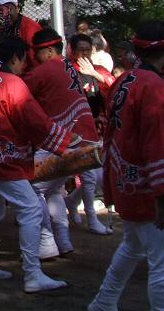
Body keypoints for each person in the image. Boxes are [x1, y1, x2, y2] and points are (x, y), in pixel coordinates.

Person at [0, 36, 80, 292]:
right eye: (23, 61)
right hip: (3, 160)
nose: (24, 66)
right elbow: (37, 122)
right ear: (14, 58)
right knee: (31, 209)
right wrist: (67, 140)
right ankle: (32, 274)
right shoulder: (13, 84)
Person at [88, 21, 164, 311]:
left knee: (133, 246)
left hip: (124, 174)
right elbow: (159, 142)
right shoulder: (154, 87)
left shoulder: (124, 81)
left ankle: (104, 303)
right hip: (144, 182)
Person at [25, 28, 101, 256]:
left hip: (65, 140)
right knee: (53, 189)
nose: (33, 57)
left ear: (49, 51)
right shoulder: (68, 66)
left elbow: (16, 92)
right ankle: (64, 241)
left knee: (32, 188)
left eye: (36, 52)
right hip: (84, 137)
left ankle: (47, 243)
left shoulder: (45, 70)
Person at [65, 33, 114, 234]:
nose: (85, 53)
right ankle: (91, 218)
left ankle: (71, 201)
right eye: (81, 50)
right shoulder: (66, 70)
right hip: (76, 128)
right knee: (89, 175)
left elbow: (114, 87)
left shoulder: (99, 70)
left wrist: (94, 74)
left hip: (98, 127)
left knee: (97, 175)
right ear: (72, 51)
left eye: (88, 50)